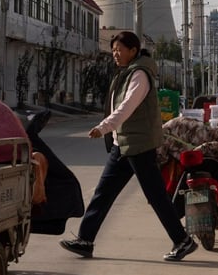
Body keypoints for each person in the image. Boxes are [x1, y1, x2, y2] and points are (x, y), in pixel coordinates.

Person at [60, 31, 198, 262]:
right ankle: (85, 239)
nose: (115, 54)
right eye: (113, 50)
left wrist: (103, 127)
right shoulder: (127, 72)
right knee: (103, 193)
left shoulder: (140, 75)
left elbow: (127, 107)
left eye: (119, 50)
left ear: (133, 51)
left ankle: (182, 240)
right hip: (122, 144)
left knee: (156, 196)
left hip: (138, 145)